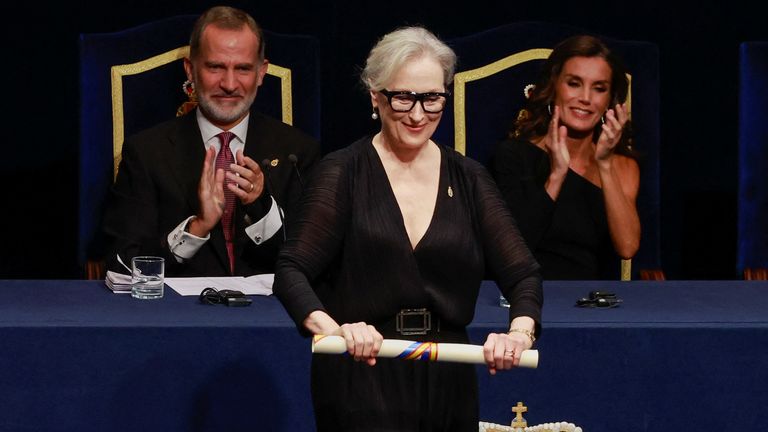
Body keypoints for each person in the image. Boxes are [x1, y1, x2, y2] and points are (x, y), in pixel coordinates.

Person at [274, 26, 542, 431]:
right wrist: (336, 331)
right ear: (375, 97)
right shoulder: (342, 172)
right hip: (361, 374)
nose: (418, 114)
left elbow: (522, 274)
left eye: (432, 98)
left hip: (449, 374)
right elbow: (291, 271)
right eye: (403, 98)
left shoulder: (469, 178)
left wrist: (519, 334)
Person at [102, 6, 320, 277]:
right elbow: (121, 264)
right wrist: (197, 227)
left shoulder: (297, 153)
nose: (229, 84)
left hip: (270, 314)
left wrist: (262, 207)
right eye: (215, 67)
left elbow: (313, 262)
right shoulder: (146, 153)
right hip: (181, 315)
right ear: (190, 70)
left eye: (242, 68)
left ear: (262, 72)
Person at [490, 35, 640, 280]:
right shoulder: (512, 155)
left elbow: (627, 247)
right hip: (521, 298)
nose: (586, 98)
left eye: (599, 88)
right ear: (554, 87)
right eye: (574, 83)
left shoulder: (623, 166)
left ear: (610, 100)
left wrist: (604, 163)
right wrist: (557, 176)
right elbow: (511, 251)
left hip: (586, 304)